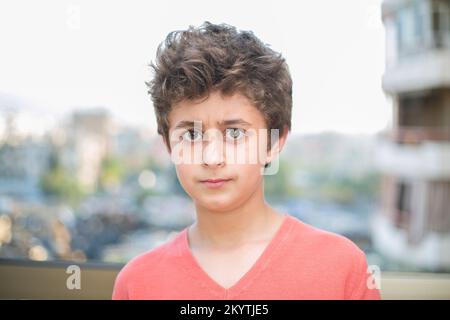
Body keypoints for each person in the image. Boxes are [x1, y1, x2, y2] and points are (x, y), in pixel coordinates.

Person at [112, 21, 381, 300]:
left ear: (274, 142)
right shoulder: (138, 283)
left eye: (235, 133)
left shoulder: (341, 268)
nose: (212, 157)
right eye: (191, 135)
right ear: (169, 145)